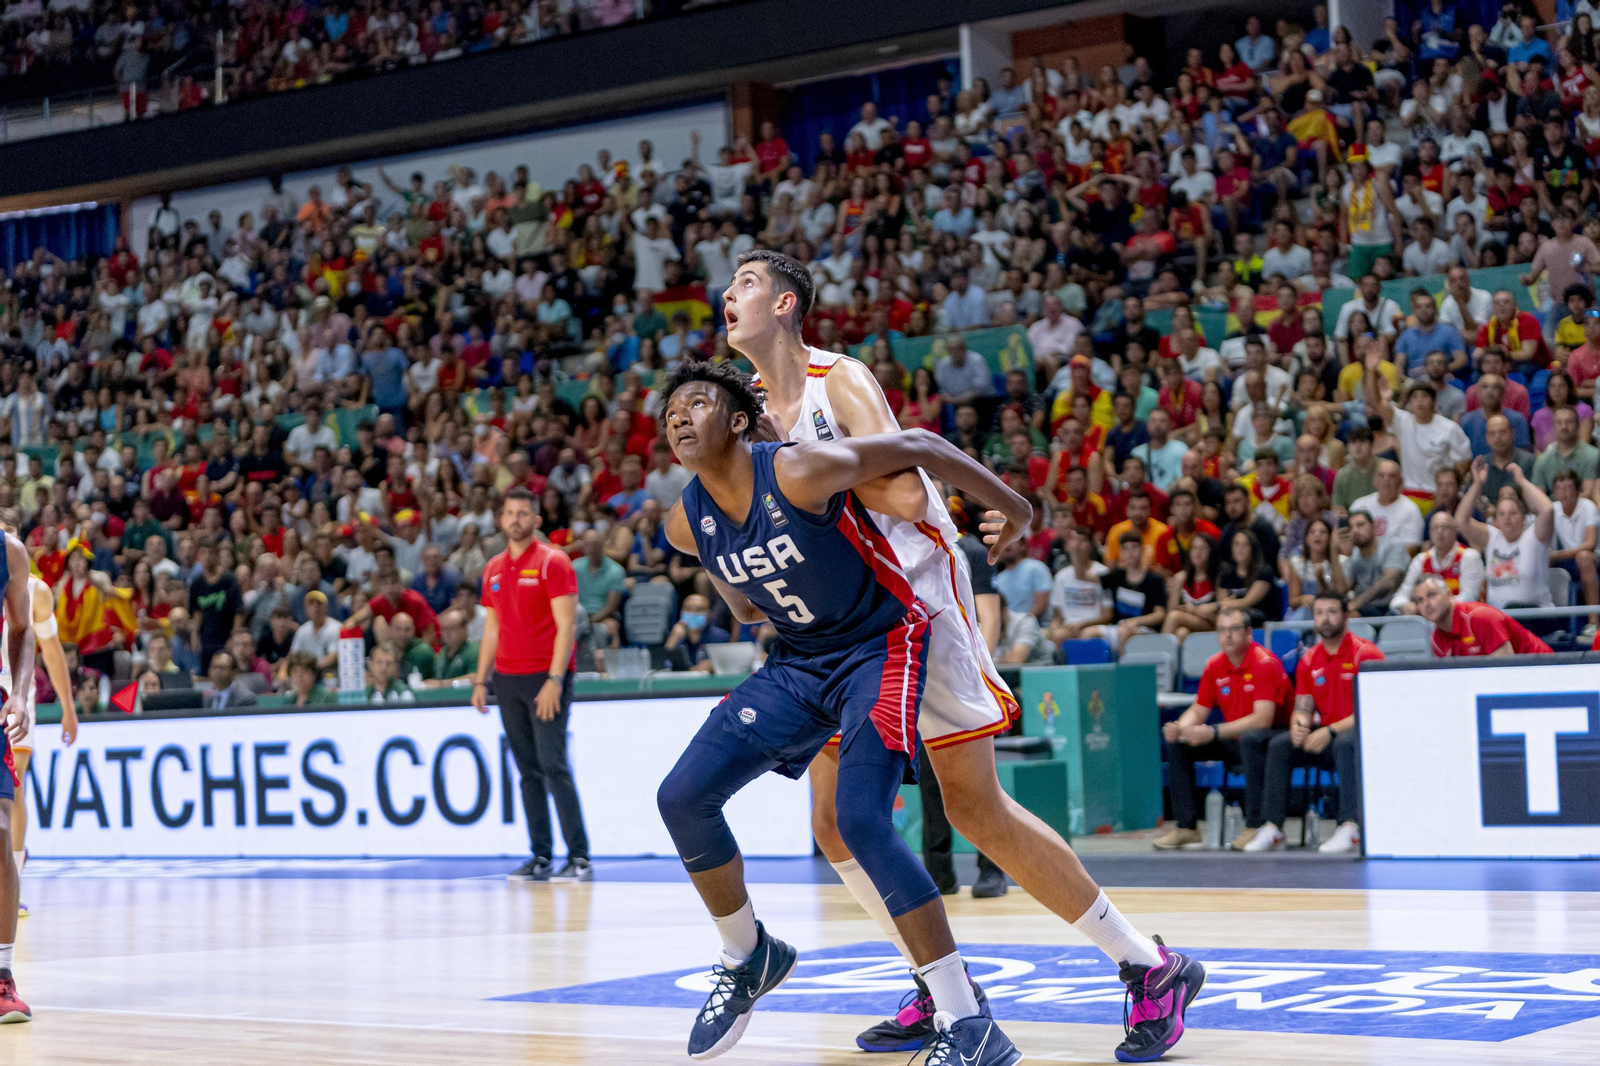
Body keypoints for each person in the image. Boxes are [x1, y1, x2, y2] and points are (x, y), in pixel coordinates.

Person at [714, 254, 1203, 1060]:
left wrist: (801, 477)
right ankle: (942, 985)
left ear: (787, 303)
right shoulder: (756, 410)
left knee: (976, 808)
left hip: (917, 601)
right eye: (729, 287)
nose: (729, 295)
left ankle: (1148, 967)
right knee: (833, 822)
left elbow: (907, 495)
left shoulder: (840, 382)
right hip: (843, 623)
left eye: (747, 283)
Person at [654, 359, 1037, 1065]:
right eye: (671, 410)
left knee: (860, 819)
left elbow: (920, 445)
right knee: (682, 796)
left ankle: (967, 1021)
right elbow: (742, 607)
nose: (678, 415)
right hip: (802, 663)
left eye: (698, 402)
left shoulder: (797, 470)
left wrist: (1016, 509)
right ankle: (748, 954)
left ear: (740, 421)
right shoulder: (684, 522)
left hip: (880, 646)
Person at [472, 487, 590, 884]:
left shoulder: (553, 562)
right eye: (510, 513)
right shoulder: (492, 568)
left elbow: (567, 626)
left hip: (546, 677)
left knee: (553, 764)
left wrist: (556, 679)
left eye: (524, 513)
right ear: (501, 519)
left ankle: (579, 856)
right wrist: (480, 678)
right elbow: (491, 627)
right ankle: (540, 856)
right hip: (507, 678)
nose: (516, 519)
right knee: (526, 771)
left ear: (536, 520)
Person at [1246, 591, 1383, 853]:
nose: (1325, 618)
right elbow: (1303, 706)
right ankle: (1273, 827)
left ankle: (1350, 826)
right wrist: (1300, 725)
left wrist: (1329, 731)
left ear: (1345, 617)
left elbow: (1370, 708)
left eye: (1332, 612)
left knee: (1345, 743)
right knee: (1280, 744)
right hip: (1328, 734)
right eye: (1319, 613)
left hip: (1363, 734)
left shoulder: (1365, 653)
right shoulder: (1309, 659)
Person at [1156, 607, 1293, 850]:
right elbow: (1199, 709)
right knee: (1179, 745)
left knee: (1251, 739)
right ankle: (1187, 828)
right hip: (1234, 737)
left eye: (1234, 629)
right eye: (1222, 630)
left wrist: (1214, 732)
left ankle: (1255, 825)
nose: (1227, 635)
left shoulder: (1265, 663)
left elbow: (1263, 719)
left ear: (1249, 633)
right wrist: (1181, 727)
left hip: (1272, 738)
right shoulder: (1214, 665)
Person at [0, 516, 75, 922]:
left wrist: (68, 706)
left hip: (14, 692)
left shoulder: (34, 588)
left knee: (14, 780)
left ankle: (14, 873)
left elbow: (51, 650)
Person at [0, 527, 37, 1021]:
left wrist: (20, 692)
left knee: (2, 832)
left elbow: (23, 629)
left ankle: (3, 976)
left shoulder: (9, 551)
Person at [1457, 456, 1556, 625]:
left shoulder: (1535, 537)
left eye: (1513, 513)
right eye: (1501, 514)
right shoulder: (1492, 537)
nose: (1507, 518)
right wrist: (1477, 484)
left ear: (1524, 517)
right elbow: (1461, 521)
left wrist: (1521, 480)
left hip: (1536, 619)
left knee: (1510, 611)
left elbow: (1548, 510)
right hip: (1499, 621)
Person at [1413, 576, 1552, 656]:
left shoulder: (1480, 617)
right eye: (1420, 600)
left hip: (1543, 667)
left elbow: (1506, 668)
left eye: (1431, 595)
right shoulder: (1436, 639)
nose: (1426, 604)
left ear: (1449, 595)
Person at [1392, 509, 1486, 612]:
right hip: (1430, 619)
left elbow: (1469, 597)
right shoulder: (1420, 559)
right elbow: (1400, 597)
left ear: (1455, 531)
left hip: (1465, 618)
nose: (1440, 531)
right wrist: (1406, 606)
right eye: (1435, 528)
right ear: (1430, 533)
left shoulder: (1469, 556)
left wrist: (1433, 606)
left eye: (1445, 527)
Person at [1343, 509, 1408, 617]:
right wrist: (1335, 552)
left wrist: (1356, 603)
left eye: (1360, 525)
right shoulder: (1353, 554)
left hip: (1393, 608)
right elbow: (1343, 588)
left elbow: (1388, 582)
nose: (1355, 530)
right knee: (1346, 617)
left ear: (1373, 526)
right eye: (1351, 527)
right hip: (1365, 609)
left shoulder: (1393, 545)